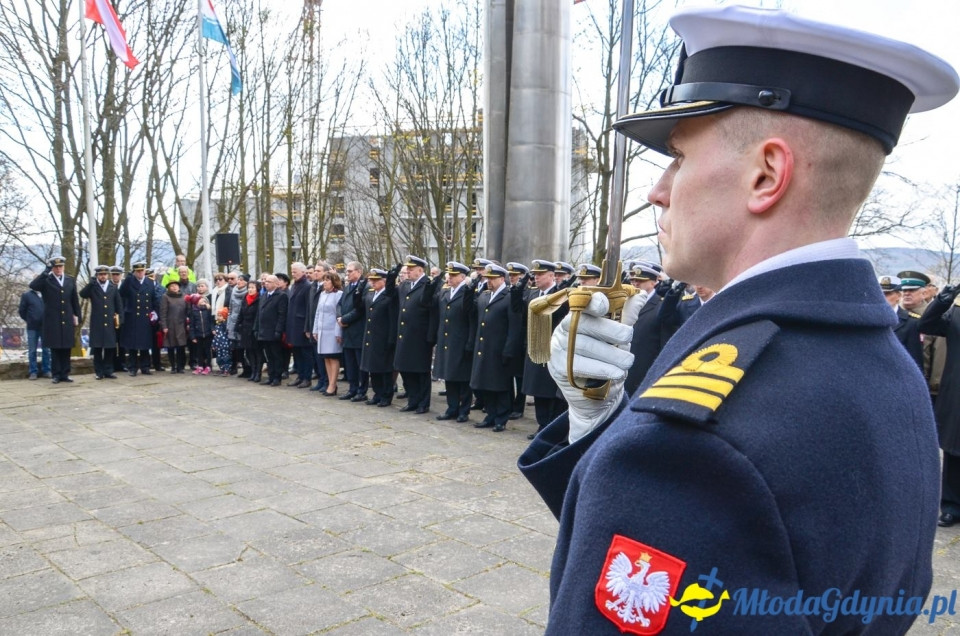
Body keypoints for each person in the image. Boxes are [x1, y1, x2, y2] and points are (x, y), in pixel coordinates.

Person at [518, 6, 957, 634]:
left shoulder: (690, 443)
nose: (657, 190)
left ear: (766, 175)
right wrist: (602, 425)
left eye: (678, 157)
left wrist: (637, 452)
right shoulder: (882, 364)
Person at [919, 285, 960, 528]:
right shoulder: (955, 311)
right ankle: (952, 507)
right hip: (957, 393)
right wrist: (942, 301)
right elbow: (927, 324)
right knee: (954, 453)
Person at [469, 263, 521, 432]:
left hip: (499, 348)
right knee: (485, 384)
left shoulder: (509, 296)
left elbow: (514, 326)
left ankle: (501, 418)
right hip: (484, 346)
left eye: (492, 279)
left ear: (501, 278)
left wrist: (509, 349)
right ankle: (490, 415)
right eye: (487, 278)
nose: (489, 282)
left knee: (500, 386)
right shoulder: (485, 296)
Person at [521, 260, 567, 439]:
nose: (536, 277)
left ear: (551, 276)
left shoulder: (561, 296)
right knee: (537, 389)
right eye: (535, 274)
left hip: (554, 349)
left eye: (540, 275)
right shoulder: (533, 295)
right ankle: (542, 425)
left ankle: (550, 427)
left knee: (551, 390)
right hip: (535, 347)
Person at [393, 255, 438, 414]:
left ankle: (423, 403)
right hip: (405, 334)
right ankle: (413, 400)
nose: (408, 272)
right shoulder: (406, 285)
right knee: (406, 369)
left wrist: (431, 336)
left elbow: (433, 313)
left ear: (420, 270)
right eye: (407, 270)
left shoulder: (429, 285)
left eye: (411, 270)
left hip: (420, 335)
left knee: (421, 371)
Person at [433, 261, 476, 423]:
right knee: (449, 376)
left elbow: (472, 320)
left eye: (453, 275)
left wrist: (470, 342)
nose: (449, 278)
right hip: (446, 340)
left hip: (461, 341)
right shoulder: (445, 292)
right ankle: (452, 408)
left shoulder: (467, 293)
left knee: (463, 378)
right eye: (448, 275)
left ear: (462, 277)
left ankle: (464, 410)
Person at [29, 256, 81, 384]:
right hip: (53, 318)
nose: (58, 269)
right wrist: (45, 272)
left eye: (60, 267)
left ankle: (65, 373)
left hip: (67, 317)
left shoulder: (69, 280)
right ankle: (56, 374)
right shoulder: (47, 280)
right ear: (52, 268)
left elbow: (74, 300)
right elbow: (33, 285)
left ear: (63, 267)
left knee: (66, 347)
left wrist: (77, 316)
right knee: (56, 347)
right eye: (56, 267)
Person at [360, 267, 399, 407]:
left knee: (385, 369)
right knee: (373, 367)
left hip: (384, 336)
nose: (372, 283)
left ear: (384, 281)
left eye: (376, 280)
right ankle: (377, 393)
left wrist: (391, 338)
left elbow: (393, 318)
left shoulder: (389, 295)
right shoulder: (371, 294)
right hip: (371, 335)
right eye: (371, 280)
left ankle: (386, 395)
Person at [79, 265, 121, 379]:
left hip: (110, 322)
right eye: (100, 274)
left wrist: (119, 319)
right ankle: (99, 372)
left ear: (107, 275)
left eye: (104, 274)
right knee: (97, 348)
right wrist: (91, 283)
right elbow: (82, 294)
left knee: (109, 348)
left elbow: (118, 304)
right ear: (97, 275)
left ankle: (108, 370)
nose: (103, 276)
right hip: (97, 322)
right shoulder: (93, 287)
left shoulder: (113, 287)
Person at [118, 262, 158, 376]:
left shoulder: (150, 282)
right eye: (138, 271)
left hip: (146, 317)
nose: (140, 273)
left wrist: (155, 312)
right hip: (132, 316)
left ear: (145, 271)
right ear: (134, 272)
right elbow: (121, 296)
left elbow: (153, 298)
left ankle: (145, 367)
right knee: (133, 345)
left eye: (142, 271)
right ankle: (133, 367)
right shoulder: (128, 282)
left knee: (145, 344)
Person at [337, 261, 369, 401]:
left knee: (359, 364)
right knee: (350, 363)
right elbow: (340, 304)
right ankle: (352, 388)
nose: (347, 274)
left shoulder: (365, 287)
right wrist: (339, 317)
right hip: (347, 331)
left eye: (350, 271)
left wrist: (345, 319)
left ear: (359, 272)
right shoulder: (348, 287)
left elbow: (360, 309)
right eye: (347, 271)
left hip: (358, 329)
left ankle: (362, 391)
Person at [880, 275, 923, 370]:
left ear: (899, 295)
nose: (883, 298)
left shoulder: (911, 322)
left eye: (887, 294)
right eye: (880, 294)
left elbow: (915, 360)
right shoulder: (871, 320)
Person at [312, 271, 344, 396]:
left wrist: (338, 332)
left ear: (334, 282)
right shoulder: (322, 294)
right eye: (324, 280)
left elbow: (338, 314)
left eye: (327, 280)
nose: (324, 282)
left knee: (333, 357)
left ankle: (332, 384)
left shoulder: (339, 294)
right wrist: (315, 329)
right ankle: (331, 383)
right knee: (326, 357)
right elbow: (318, 313)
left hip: (332, 330)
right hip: (322, 330)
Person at [256, 274, 288, 386]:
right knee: (268, 355)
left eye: (269, 281)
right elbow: (259, 313)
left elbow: (282, 315)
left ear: (276, 284)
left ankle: (277, 377)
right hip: (264, 331)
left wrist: (278, 330)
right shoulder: (264, 296)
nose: (266, 283)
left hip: (274, 330)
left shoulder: (281, 296)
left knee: (276, 355)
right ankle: (271, 375)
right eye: (265, 281)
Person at [285, 263, 313, 388]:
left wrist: (307, 327)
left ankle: (307, 378)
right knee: (296, 352)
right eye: (292, 271)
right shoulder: (293, 286)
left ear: (303, 272)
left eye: (295, 271)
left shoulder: (307, 286)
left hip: (302, 324)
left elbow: (309, 308)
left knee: (305, 353)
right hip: (293, 324)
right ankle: (300, 376)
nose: (293, 273)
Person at [18, 281, 51, 380]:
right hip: (32, 327)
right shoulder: (27, 295)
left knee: (47, 350)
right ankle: (33, 371)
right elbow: (22, 311)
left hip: (45, 327)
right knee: (32, 350)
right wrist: (29, 319)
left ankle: (47, 370)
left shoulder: (46, 294)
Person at [235, 280, 262, 382]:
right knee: (249, 351)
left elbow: (258, 315)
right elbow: (241, 313)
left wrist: (256, 328)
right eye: (249, 288)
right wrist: (238, 324)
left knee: (257, 352)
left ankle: (258, 373)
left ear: (257, 289)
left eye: (252, 288)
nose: (250, 290)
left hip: (255, 329)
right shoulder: (245, 298)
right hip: (245, 329)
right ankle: (253, 371)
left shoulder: (260, 299)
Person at [159, 280, 188, 373]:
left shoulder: (184, 296)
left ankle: (180, 366)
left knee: (181, 346)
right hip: (170, 325)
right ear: (168, 288)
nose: (174, 287)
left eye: (176, 285)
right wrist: (164, 326)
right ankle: (173, 366)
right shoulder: (165, 297)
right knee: (170, 346)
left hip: (181, 324)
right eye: (172, 286)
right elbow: (163, 312)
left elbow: (188, 310)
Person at [187, 279, 214, 375]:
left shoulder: (208, 311)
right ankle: (200, 365)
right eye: (198, 286)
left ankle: (208, 366)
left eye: (202, 286)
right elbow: (192, 324)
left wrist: (212, 330)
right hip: (198, 334)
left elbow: (211, 321)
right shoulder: (194, 312)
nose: (200, 288)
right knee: (199, 351)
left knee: (207, 350)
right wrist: (192, 336)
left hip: (207, 333)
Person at [109, 266, 127, 372]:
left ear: (121, 275)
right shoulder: (109, 286)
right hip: (110, 317)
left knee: (122, 342)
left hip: (122, 316)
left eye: (118, 274)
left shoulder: (124, 286)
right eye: (114, 274)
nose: (116, 276)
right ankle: (111, 364)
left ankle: (122, 363)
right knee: (111, 342)